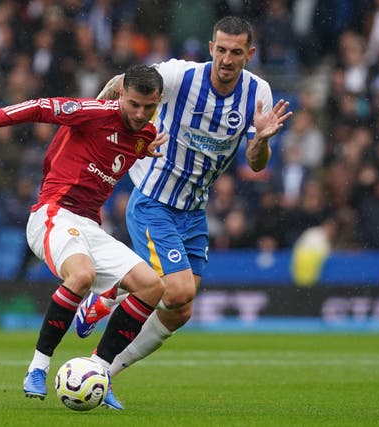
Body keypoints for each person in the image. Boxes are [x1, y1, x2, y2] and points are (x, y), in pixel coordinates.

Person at [75, 16, 292, 376]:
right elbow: (126, 83)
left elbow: (256, 164)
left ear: (249, 54)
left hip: (193, 211)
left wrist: (264, 140)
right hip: (154, 201)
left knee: (181, 309)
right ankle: (99, 358)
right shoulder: (180, 76)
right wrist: (98, 109)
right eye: (220, 49)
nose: (226, 59)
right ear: (211, 48)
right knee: (176, 291)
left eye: (235, 52)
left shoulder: (258, 94)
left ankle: (107, 368)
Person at [0, 65, 167, 410]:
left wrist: (144, 149)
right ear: (123, 95)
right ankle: (37, 367)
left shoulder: (145, 134)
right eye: (135, 104)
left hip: (90, 227)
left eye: (148, 107)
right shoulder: (94, 113)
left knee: (152, 286)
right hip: (53, 213)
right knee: (82, 275)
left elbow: (118, 149)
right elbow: (40, 106)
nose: (140, 114)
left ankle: (100, 371)